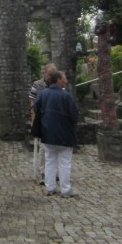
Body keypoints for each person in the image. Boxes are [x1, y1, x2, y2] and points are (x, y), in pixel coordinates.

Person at [34, 70, 79, 198]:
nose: (66, 80)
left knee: (50, 161)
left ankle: (50, 188)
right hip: (64, 135)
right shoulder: (66, 96)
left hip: (47, 133)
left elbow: (36, 109)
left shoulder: (43, 94)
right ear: (58, 80)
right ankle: (65, 190)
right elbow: (75, 116)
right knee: (64, 162)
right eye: (64, 78)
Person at [29, 62, 56, 184]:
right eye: (50, 73)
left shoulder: (57, 85)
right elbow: (32, 103)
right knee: (43, 147)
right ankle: (43, 171)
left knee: (55, 147)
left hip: (55, 120)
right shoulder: (37, 85)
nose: (51, 76)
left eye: (53, 74)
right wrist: (34, 119)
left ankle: (53, 171)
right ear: (44, 73)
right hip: (42, 119)